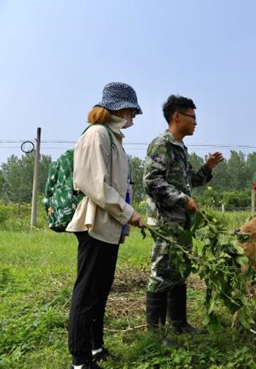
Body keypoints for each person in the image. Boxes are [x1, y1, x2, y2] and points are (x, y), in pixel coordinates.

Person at [66, 82, 145, 369]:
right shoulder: (97, 135)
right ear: (121, 109)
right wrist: (128, 213)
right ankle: (80, 359)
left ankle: (96, 347)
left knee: (101, 289)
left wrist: (123, 218)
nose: (133, 119)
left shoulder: (113, 138)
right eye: (132, 112)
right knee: (87, 291)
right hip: (96, 223)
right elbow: (94, 184)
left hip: (109, 225)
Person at [143, 95, 224, 346]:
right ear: (177, 116)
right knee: (161, 272)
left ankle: (179, 323)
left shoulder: (180, 148)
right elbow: (152, 182)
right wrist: (182, 200)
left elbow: (191, 182)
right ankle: (155, 334)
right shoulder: (162, 144)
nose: (196, 123)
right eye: (192, 117)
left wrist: (207, 167)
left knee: (179, 271)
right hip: (166, 222)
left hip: (182, 223)